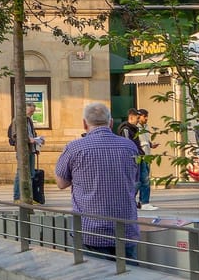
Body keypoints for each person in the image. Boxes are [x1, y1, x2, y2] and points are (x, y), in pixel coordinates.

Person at [55, 100, 142, 261]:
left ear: (84, 124)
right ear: (110, 122)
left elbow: (61, 183)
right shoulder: (129, 146)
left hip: (90, 231)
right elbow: (135, 178)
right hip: (125, 229)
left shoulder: (74, 148)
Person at [116, 108, 155, 211]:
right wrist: (132, 157)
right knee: (137, 181)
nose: (138, 120)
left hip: (140, 156)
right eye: (137, 118)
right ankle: (130, 201)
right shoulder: (126, 129)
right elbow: (127, 144)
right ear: (131, 117)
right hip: (135, 158)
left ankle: (144, 202)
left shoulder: (135, 128)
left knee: (144, 180)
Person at [9, 118, 46, 203]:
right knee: (20, 173)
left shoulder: (29, 120)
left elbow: (32, 134)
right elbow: (15, 135)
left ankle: (29, 197)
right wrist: (29, 139)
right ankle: (17, 197)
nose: (32, 114)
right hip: (23, 151)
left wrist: (38, 141)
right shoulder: (17, 119)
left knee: (31, 174)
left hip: (31, 150)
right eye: (31, 111)